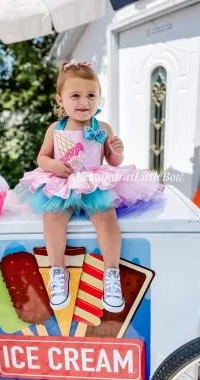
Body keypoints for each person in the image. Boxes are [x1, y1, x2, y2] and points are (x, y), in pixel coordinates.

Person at [14, 59, 164, 313]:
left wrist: (117, 152)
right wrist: (53, 166)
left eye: (91, 95)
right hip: (64, 182)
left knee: (106, 216)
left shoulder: (102, 128)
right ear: (60, 100)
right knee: (53, 217)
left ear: (98, 98)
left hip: (95, 182)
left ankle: (112, 273)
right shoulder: (56, 128)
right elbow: (42, 157)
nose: (84, 102)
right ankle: (58, 271)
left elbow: (113, 161)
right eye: (75, 95)